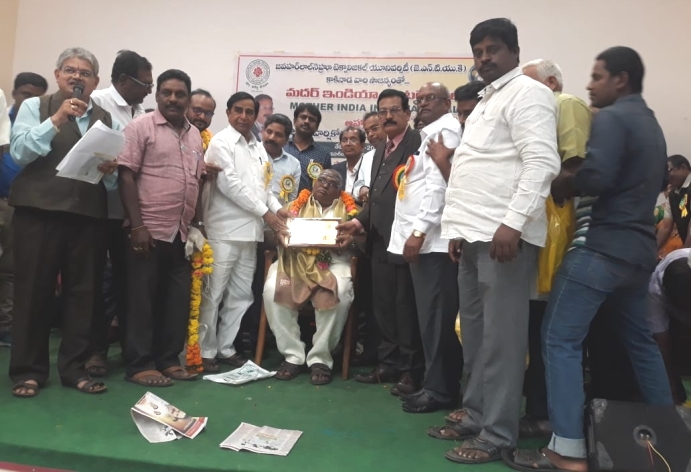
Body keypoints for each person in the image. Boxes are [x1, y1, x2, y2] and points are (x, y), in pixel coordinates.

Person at [507, 47, 674, 472]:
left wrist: (560, 181)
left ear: (621, 79)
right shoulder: (651, 124)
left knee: (558, 339)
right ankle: (671, 438)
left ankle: (567, 449)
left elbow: (596, 176)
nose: (589, 84)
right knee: (641, 344)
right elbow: (656, 181)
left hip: (601, 247)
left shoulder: (614, 118)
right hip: (638, 251)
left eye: (598, 77)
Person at [433, 19, 560, 464]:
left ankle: (498, 434)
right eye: (478, 51)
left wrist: (514, 223)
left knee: (503, 340)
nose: (484, 57)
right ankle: (476, 414)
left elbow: (541, 162)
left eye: (493, 49)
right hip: (472, 235)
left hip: (503, 238)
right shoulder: (488, 100)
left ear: (514, 52)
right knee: (476, 335)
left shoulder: (529, 94)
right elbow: (479, 169)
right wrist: (457, 229)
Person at [9, 47, 119, 397]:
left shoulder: (105, 118)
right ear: (57, 75)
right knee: (33, 293)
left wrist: (110, 171)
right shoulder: (36, 106)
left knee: (83, 295)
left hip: (87, 217)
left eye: (85, 73)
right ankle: (28, 371)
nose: (77, 77)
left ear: (95, 82)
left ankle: (75, 370)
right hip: (38, 213)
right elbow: (19, 152)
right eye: (70, 70)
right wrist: (56, 119)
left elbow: (110, 182)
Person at [518, 58, 592, 438]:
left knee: (549, 329)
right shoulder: (534, 114)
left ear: (550, 83)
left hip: (559, 231)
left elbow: (572, 168)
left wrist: (530, 184)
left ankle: (547, 415)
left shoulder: (566, 104)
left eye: (529, 85)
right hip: (536, 229)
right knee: (533, 325)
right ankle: (535, 407)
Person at [118, 69, 204, 387]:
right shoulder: (140, 127)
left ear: (188, 99)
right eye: (167, 92)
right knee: (141, 301)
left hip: (180, 233)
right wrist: (137, 225)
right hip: (148, 231)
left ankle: (167, 360)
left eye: (180, 94)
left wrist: (197, 225)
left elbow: (196, 181)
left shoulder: (194, 135)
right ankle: (139, 364)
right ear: (157, 95)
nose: (173, 98)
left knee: (175, 301)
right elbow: (126, 175)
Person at [337, 89, 423, 397]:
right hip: (378, 241)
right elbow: (377, 198)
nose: (388, 116)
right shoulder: (379, 151)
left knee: (405, 308)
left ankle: (412, 370)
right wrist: (358, 222)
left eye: (394, 110)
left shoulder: (417, 143)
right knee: (383, 307)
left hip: (406, 241)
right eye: (382, 110)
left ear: (407, 114)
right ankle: (388, 364)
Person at [197, 92, 288, 373]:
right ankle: (205, 351)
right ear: (228, 112)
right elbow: (230, 185)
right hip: (223, 230)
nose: (244, 116)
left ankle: (225, 348)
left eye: (249, 112)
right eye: (238, 110)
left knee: (241, 296)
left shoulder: (258, 147)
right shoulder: (220, 143)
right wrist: (267, 214)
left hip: (251, 233)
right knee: (213, 295)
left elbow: (265, 187)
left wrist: (280, 210)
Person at [389, 82, 463, 414]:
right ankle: (435, 383)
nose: (423, 104)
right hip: (427, 243)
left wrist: (418, 232)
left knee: (437, 321)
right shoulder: (430, 133)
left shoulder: (444, 131)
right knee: (430, 320)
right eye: (419, 100)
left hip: (434, 244)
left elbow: (438, 188)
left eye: (430, 98)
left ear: (447, 102)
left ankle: (440, 390)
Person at [88, 49, 153, 376]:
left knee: (129, 284)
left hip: (130, 214)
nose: (149, 92)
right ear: (124, 80)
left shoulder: (140, 112)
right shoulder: (96, 103)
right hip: (96, 210)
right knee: (97, 284)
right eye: (146, 85)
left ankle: (131, 351)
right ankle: (95, 351)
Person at [264, 169, 356, 385]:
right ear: (314, 183)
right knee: (271, 290)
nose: (325, 185)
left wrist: (351, 240)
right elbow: (269, 236)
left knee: (340, 292)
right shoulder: (293, 206)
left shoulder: (351, 211)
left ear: (339, 191)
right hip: (294, 261)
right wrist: (278, 235)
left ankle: (321, 358)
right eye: (321, 180)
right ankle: (292, 355)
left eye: (332, 183)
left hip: (333, 263)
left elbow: (364, 240)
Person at [237, 113, 301, 356]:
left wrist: (278, 225)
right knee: (246, 286)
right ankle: (245, 336)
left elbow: (290, 201)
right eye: (269, 132)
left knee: (269, 285)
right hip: (247, 227)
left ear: (287, 139)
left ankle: (266, 336)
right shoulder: (251, 154)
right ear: (263, 131)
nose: (272, 137)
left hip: (276, 234)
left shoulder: (293, 164)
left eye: (279, 135)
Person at [0, 73, 48, 348]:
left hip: (19, 206)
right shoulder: (3, 120)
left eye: (38, 97)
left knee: (11, 269)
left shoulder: (41, 128)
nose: (31, 101)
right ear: (15, 93)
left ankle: (6, 326)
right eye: (26, 94)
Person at [425, 81, 484, 182]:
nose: (462, 120)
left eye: (468, 113)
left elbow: (466, 185)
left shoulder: (495, 141)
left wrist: (442, 161)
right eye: (459, 114)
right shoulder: (465, 137)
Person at [284, 104, 332, 192]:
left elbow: (326, 185)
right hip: (279, 200)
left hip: (309, 200)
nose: (307, 121)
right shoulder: (282, 147)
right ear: (295, 121)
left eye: (312, 119)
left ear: (317, 126)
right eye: (303, 117)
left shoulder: (323, 154)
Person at [353, 111, 387, 203]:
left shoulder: (398, 152)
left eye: (374, 128)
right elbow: (357, 185)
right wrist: (361, 189)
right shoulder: (367, 157)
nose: (370, 134)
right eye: (367, 132)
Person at [333, 126, 366, 195]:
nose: (348, 144)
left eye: (353, 140)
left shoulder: (369, 169)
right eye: (344, 140)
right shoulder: (334, 170)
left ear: (362, 146)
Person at [667, 154, 691, 246]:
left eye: (669, 171)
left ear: (683, 168)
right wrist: (653, 249)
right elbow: (665, 226)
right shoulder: (673, 194)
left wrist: (685, 251)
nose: (666, 176)